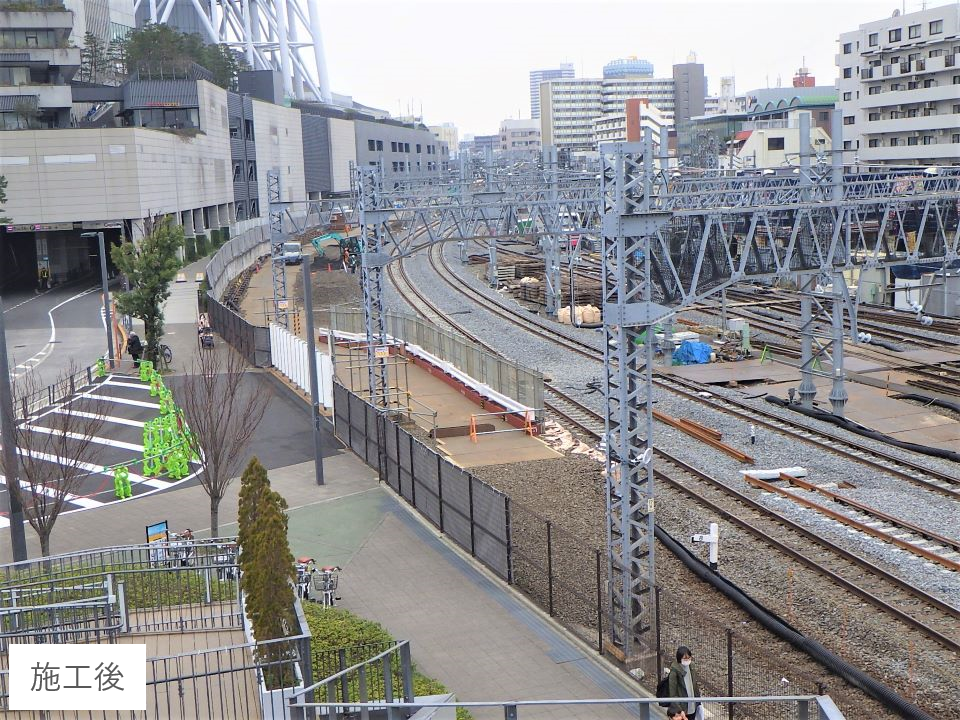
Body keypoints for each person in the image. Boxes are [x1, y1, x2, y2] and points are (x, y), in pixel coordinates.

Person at [668, 646, 701, 720]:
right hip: (682, 710)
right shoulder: (674, 672)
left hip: (692, 706)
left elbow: (694, 685)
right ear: (679, 659)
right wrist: (679, 710)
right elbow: (673, 693)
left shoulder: (691, 666)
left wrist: (698, 702)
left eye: (689, 658)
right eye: (685, 659)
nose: (687, 661)